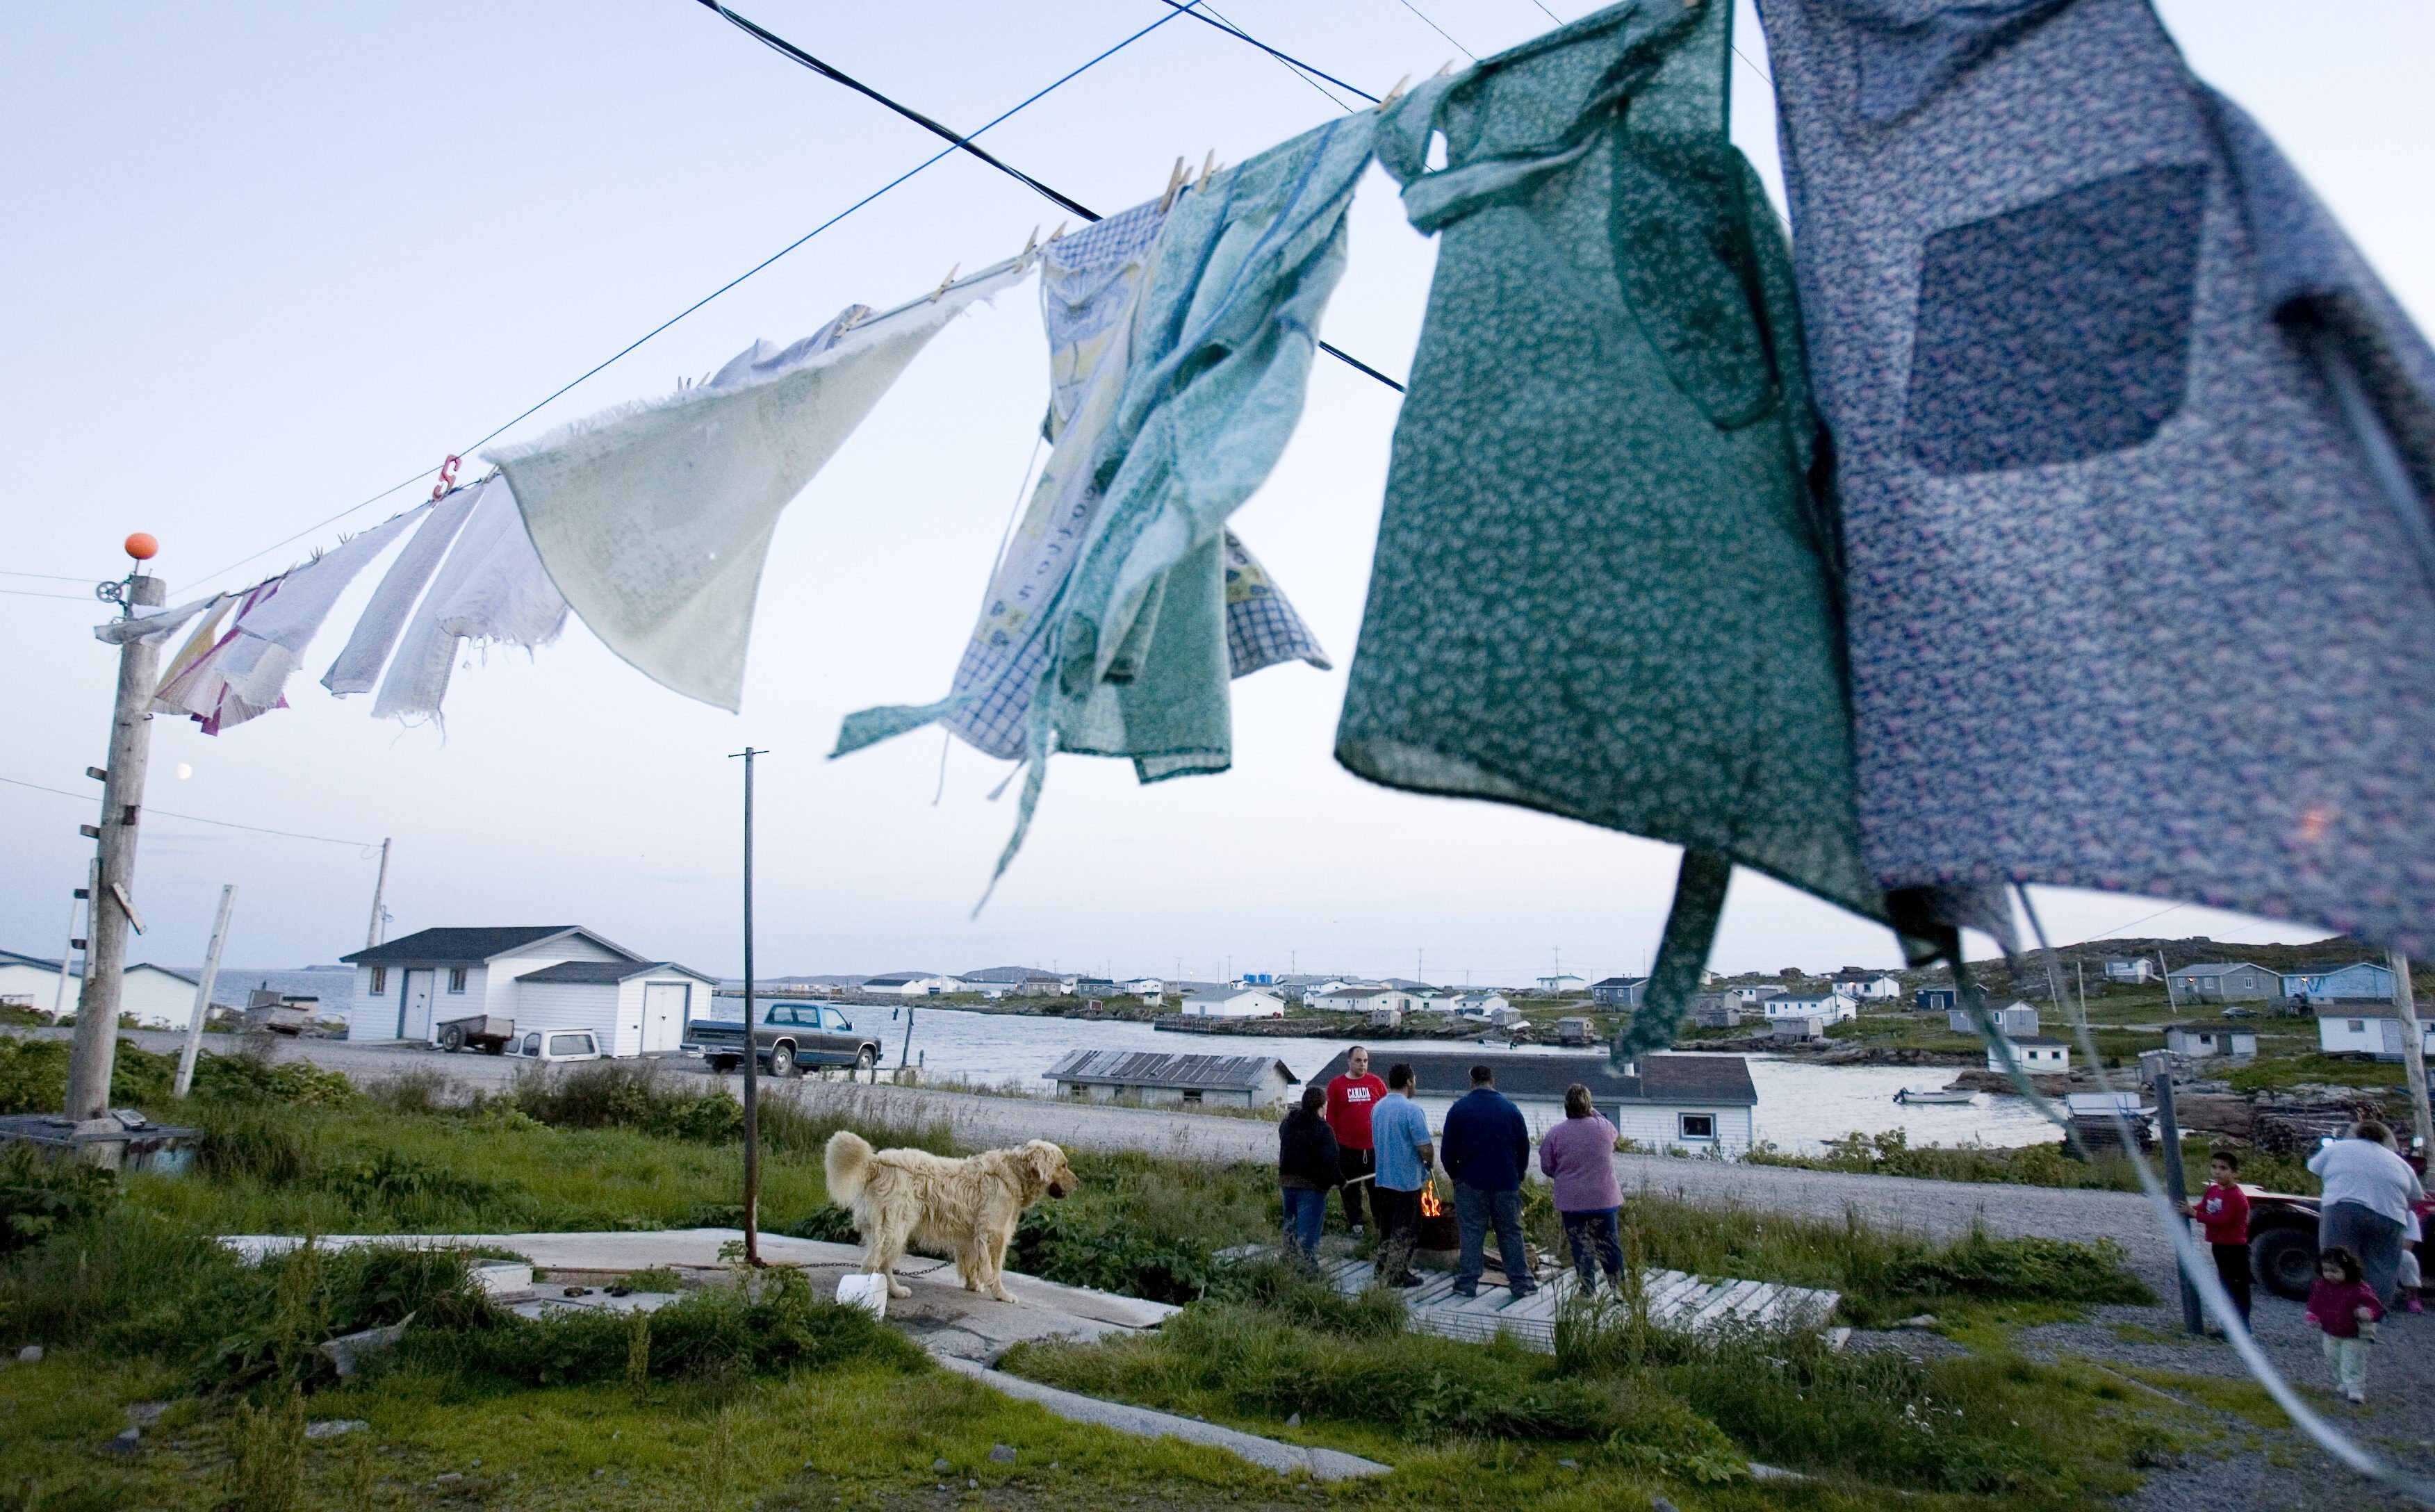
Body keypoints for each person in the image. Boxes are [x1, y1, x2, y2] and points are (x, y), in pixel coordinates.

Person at [1439, 1063, 1536, 1299]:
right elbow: (1524, 1148)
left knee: (1472, 1233)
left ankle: (1468, 1283)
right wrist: (1518, 1174)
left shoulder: (1459, 1110)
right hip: (1506, 1182)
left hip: (1471, 1182)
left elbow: (1447, 1152)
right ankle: (1521, 1283)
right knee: (1511, 1232)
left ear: (1471, 1082)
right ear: (1493, 1081)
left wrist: (1456, 1176)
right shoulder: (1511, 1110)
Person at [2309, 1120, 2426, 1304]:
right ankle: (2372, 1312)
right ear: (2385, 1139)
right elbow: (2416, 1197)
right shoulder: (2398, 1162)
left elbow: (2315, 1169)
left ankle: (2337, 1310)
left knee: (2338, 1260)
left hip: (2343, 1208)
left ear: (2357, 1134)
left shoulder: (2339, 1148)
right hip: (2390, 1216)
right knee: (2383, 1266)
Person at [1538, 1083, 1625, 1293]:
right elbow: (1615, 1134)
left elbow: (1547, 1167)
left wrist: (1562, 1175)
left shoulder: (1556, 1133)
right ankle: (1619, 1289)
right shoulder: (1604, 1128)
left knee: (1581, 1246)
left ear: (1566, 1105)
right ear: (1589, 1104)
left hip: (1572, 1200)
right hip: (1604, 1198)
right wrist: (1591, 1110)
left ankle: (1588, 1290)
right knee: (1609, 1245)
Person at [1367, 1062, 1434, 1289]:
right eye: (1414, 1080)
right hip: (1406, 1181)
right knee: (1407, 1229)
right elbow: (1425, 1146)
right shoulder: (1412, 1110)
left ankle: (1381, 1267)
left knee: (1386, 1227)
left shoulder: (1378, 1107)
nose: (1415, 1084)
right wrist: (1429, 1162)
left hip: (1383, 1178)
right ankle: (1398, 1273)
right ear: (1408, 1082)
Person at [2180, 1148, 2252, 1329]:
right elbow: (2204, 1207)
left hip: (2235, 1248)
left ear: (2235, 1174)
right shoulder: (2213, 1190)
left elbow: (2223, 1220)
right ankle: (2228, 1326)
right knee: (2225, 1285)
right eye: (2214, 1167)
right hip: (2219, 1245)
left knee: (2238, 1289)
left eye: (2223, 1168)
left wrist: (2194, 1214)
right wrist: (2190, 1210)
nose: (2217, 1171)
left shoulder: (2236, 1197)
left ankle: (2242, 1327)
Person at [2304, 1247, 2383, 1405]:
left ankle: (2355, 1388)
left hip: (2355, 1334)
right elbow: (2315, 1302)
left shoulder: (2359, 1288)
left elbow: (2375, 1306)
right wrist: (2312, 1314)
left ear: (2348, 1269)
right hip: (2330, 1330)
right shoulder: (2321, 1286)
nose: (2329, 1275)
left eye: (2334, 1271)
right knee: (2333, 1357)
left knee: (2352, 1360)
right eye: (2326, 1270)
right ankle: (2342, 1381)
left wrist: (2368, 1312)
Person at [1326, 1046, 1388, 1236]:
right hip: (1347, 1148)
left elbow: (1386, 1111)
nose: (1363, 1064)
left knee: (1377, 1189)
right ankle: (1356, 1225)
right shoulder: (1337, 1085)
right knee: (1350, 1189)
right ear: (1349, 1062)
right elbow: (1331, 1119)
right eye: (1358, 1061)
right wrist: (1334, 1147)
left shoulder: (1376, 1083)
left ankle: (1380, 1225)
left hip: (1373, 1148)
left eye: (1365, 1061)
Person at [1277, 1085, 1341, 1267]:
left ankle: (1286, 1264)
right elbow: (1331, 1160)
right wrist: (1339, 1180)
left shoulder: (1289, 1121)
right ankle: (1308, 1269)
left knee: (1291, 1225)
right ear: (1323, 1105)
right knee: (1308, 1233)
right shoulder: (1323, 1129)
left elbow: (1283, 1135)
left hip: (1287, 1183)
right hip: (1311, 1187)